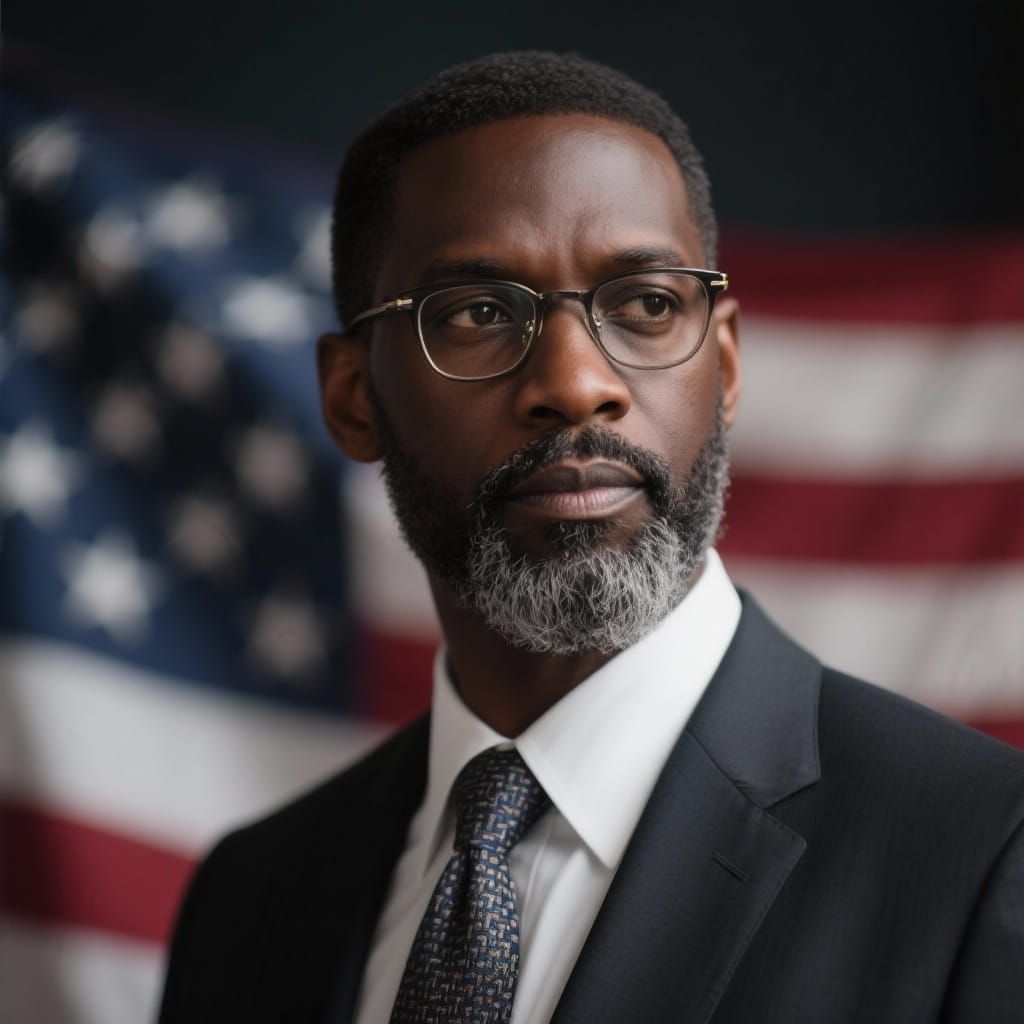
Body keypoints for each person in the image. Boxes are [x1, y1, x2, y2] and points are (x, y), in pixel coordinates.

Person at [159, 52, 1024, 1023]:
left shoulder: (984, 857)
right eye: (480, 314)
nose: (575, 383)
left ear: (726, 366)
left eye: (647, 304)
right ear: (352, 399)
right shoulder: (251, 901)